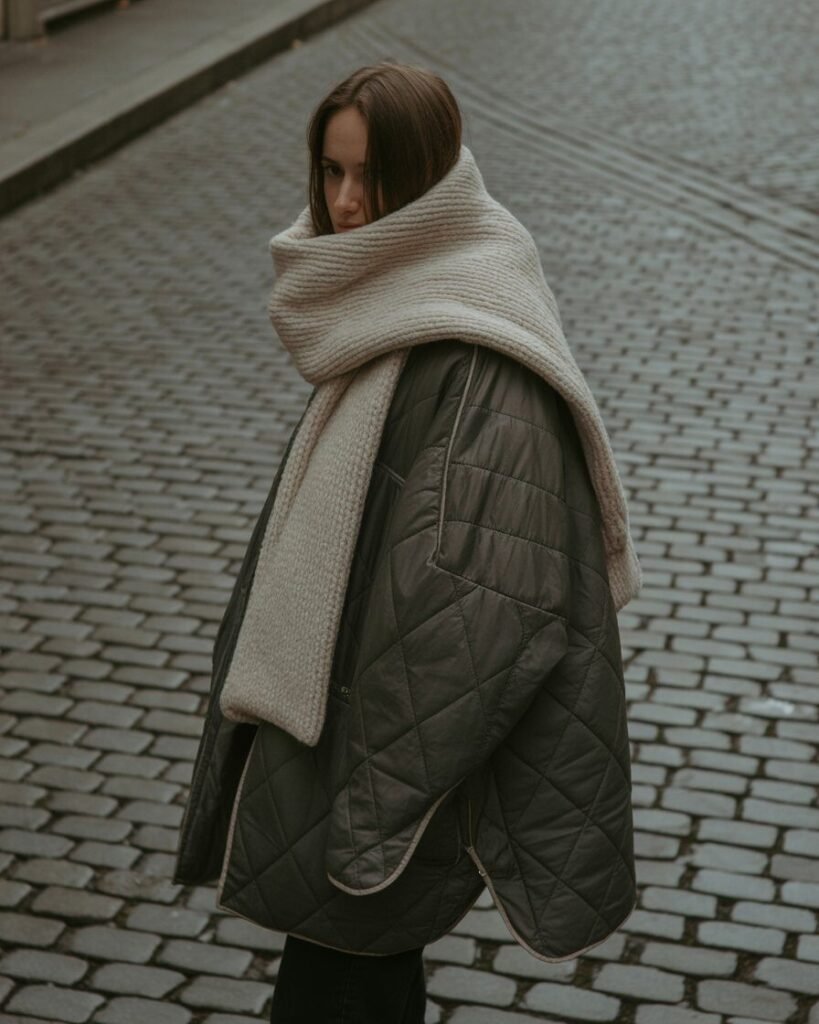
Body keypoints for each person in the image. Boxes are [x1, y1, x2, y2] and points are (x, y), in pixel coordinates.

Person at [174, 61, 642, 1024]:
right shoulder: (388, 294)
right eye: (331, 171)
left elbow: (480, 620)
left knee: (344, 990)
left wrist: (368, 819)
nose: (345, 203)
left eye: (370, 178)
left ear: (426, 179)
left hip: (372, 770)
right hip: (339, 741)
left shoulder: (473, 351)